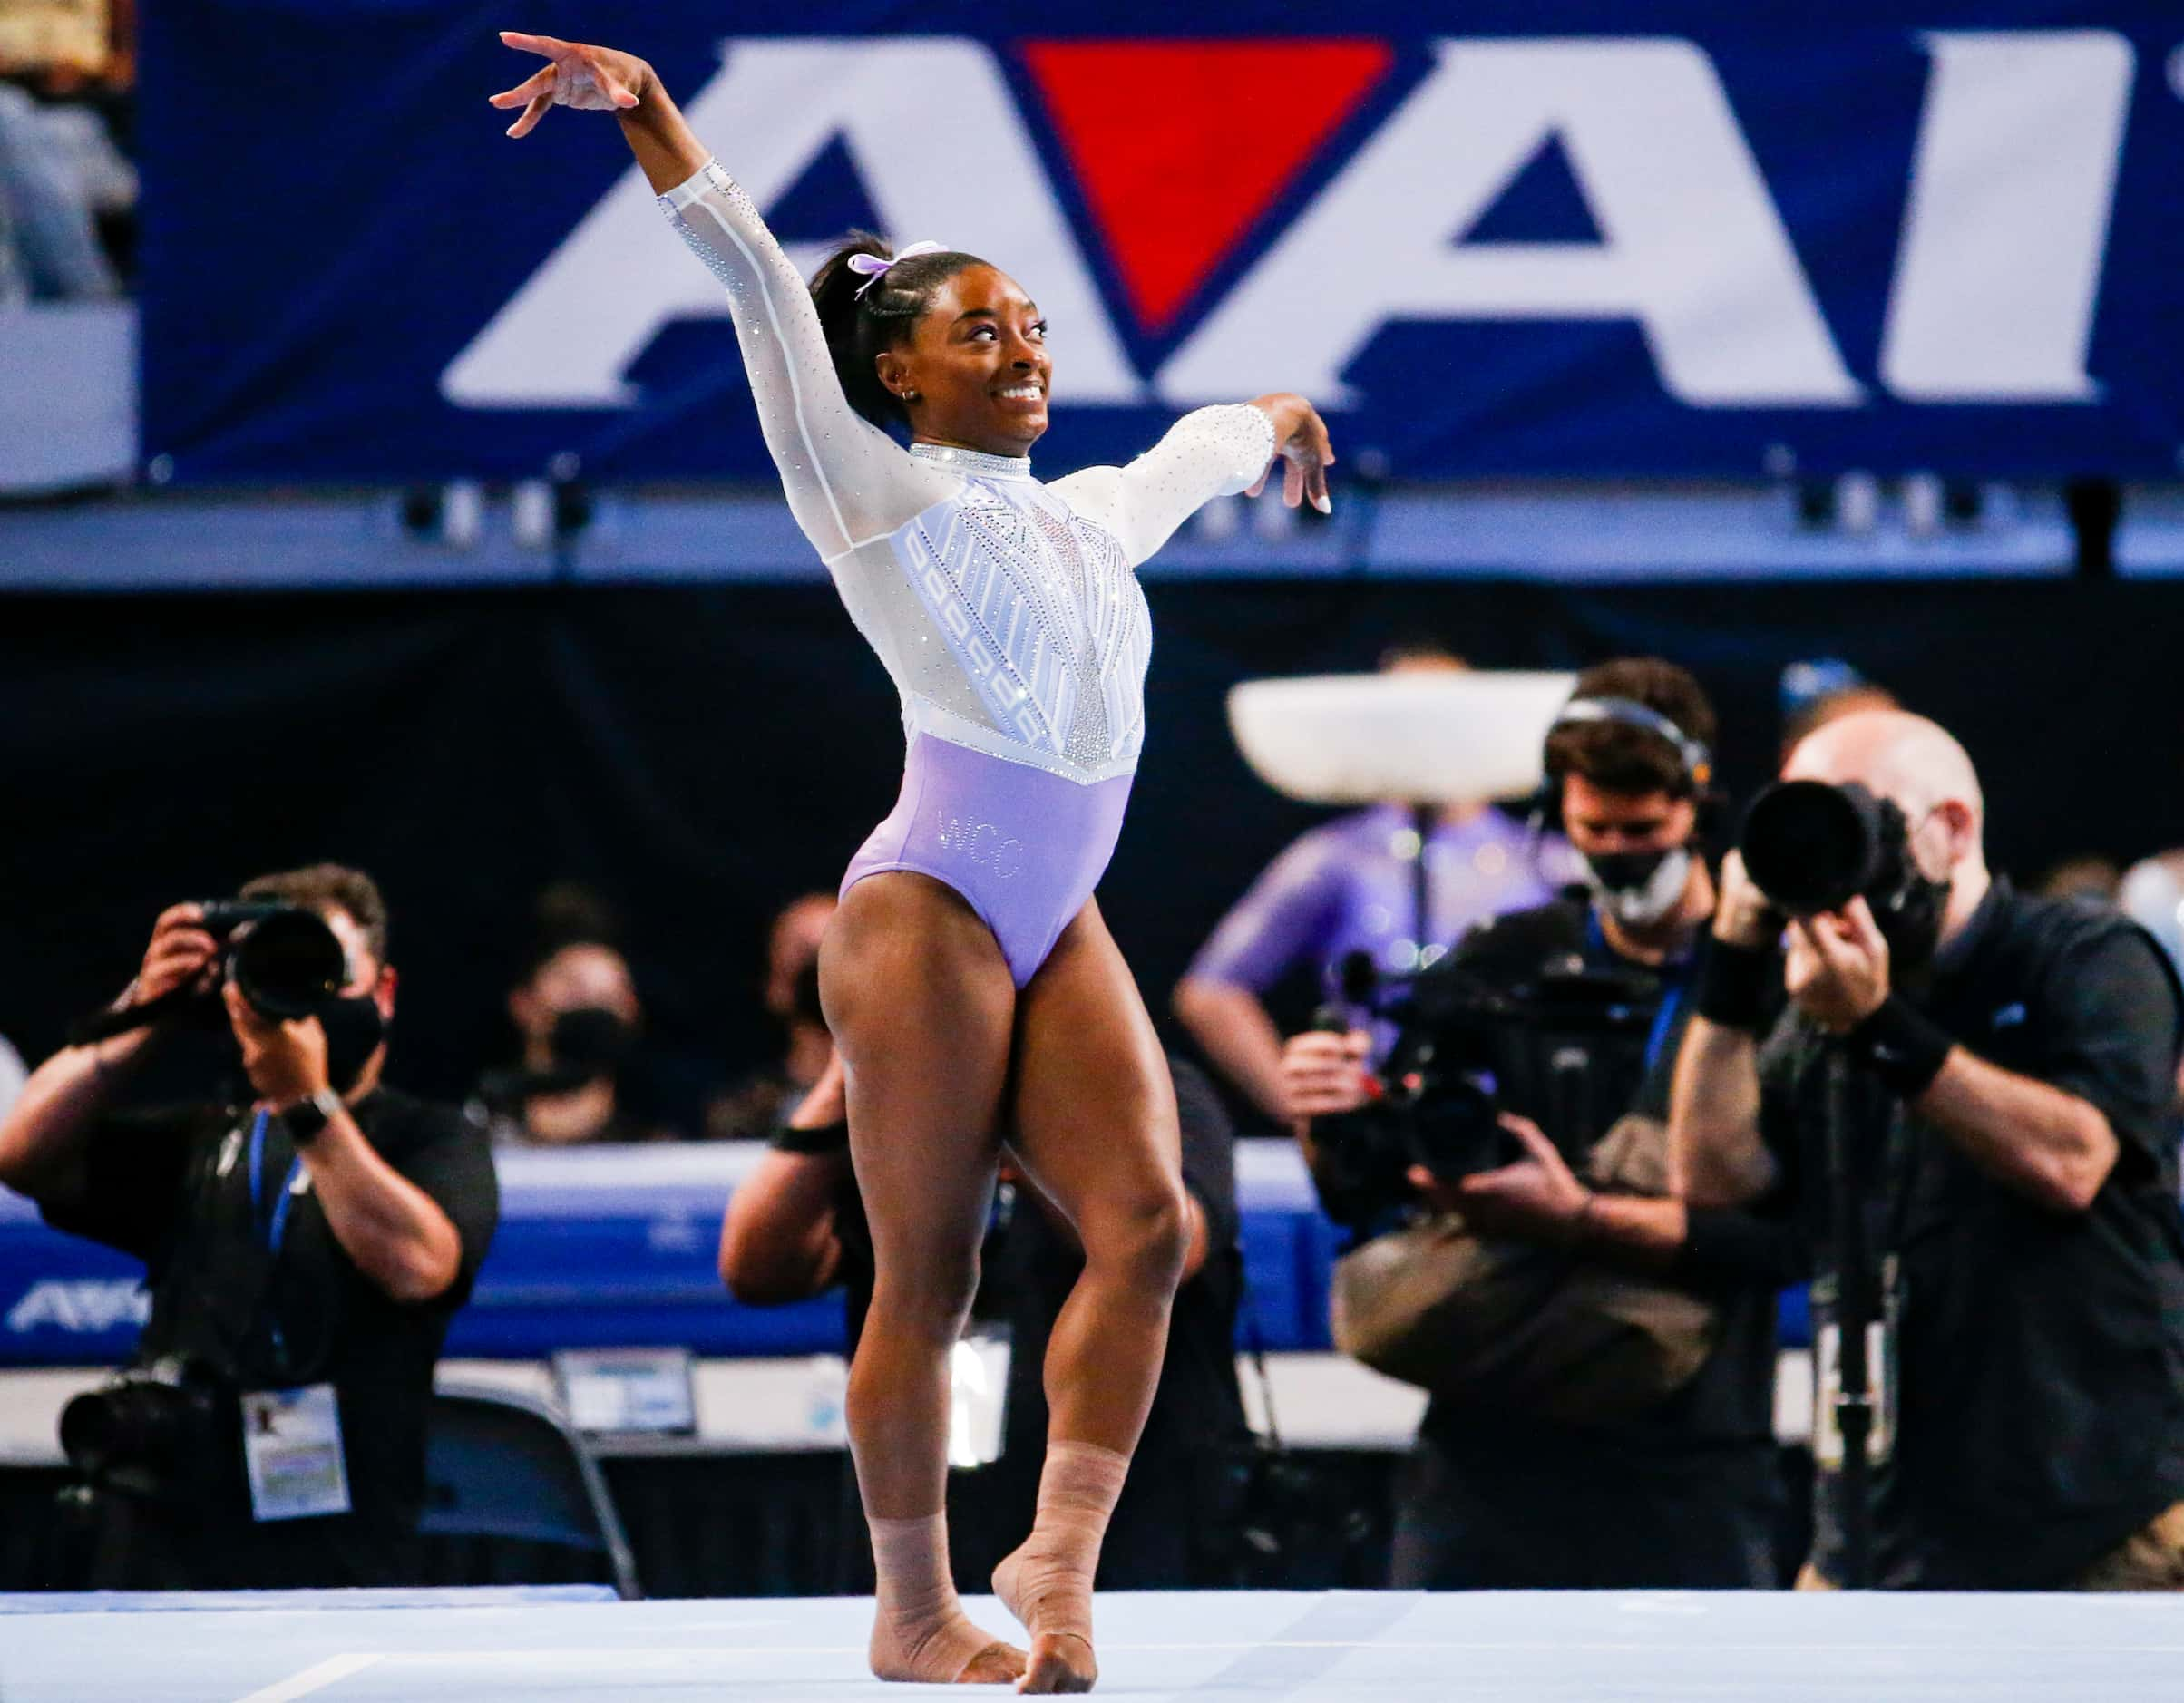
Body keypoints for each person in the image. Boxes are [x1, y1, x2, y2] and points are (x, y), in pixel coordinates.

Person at [492, 32, 1332, 1689]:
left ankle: (1058, 1556)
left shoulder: (1087, 514)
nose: (1021, 348)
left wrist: (1277, 416)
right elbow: (751, 288)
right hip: (928, 898)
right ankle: (911, 1604)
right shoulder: (866, 488)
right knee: (929, 1266)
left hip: (1051, 906)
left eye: (1030, 326)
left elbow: (1201, 448)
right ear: (897, 372)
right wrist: (652, 116)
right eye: (978, 332)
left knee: (1149, 1224)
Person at [1281, 659, 1797, 1589]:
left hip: (1691, 1454)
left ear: (1697, 801)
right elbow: (1363, 1190)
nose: (1616, 853)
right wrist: (1325, 1112)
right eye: (1591, 828)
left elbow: (1793, 1242)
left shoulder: (1774, 981)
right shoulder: (1505, 961)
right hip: (1487, 1443)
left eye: (1643, 829)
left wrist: (1573, 1218)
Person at [1672, 710, 2184, 1590]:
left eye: (1858, 823)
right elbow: (1714, 1179)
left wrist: (1878, 1028)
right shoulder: (1819, 1003)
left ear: (1951, 828)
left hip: (2092, 1521)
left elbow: (2070, 1164)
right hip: (1872, 1532)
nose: (1841, 860)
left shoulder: (2084, 959)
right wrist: (1728, 966)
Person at [0, 864, 499, 1589]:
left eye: (327, 971)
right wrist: (145, 1009)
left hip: (340, 1551)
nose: (305, 994)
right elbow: (21, 1154)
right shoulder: (209, 1138)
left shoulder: (432, 1137)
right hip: (162, 1537)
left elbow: (420, 1266)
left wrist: (308, 1104)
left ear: (381, 993)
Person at [718, 1054, 1250, 1595]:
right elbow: (756, 1269)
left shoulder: (1152, 1084)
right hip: (928, 1529)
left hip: (1130, 1528)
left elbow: (1170, 1252)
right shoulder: (901, 1100)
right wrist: (842, 1081)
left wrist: (1019, 1128)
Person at [1175, 645, 1576, 1125]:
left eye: (1444, 719)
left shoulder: (1543, 860)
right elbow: (1211, 991)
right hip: (1374, 1119)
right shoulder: (1339, 856)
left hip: (1519, 1120)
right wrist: (1302, 1107)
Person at [482, 896, 668, 1146]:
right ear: (524, 1003)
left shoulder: (656, 1151)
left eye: (608, 996)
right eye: (575, 990)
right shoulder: (476, 1134)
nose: (592, 1008)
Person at [707, 892, 837, 1141]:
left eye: (833, 948)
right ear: (775, 986)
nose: (820, 974)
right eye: (805, 954)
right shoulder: (745, 1113)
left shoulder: (899, 1100)